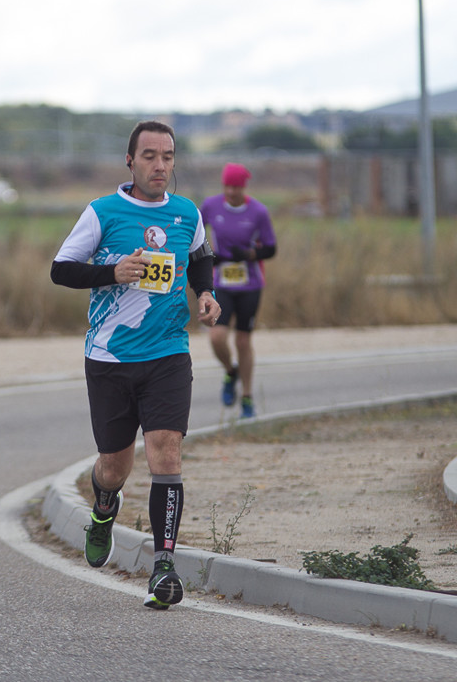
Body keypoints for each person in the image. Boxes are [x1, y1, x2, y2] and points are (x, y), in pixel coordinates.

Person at [50, 120, 220, 610]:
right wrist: (113, 271)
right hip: (109, 358)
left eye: (167, 156)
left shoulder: (187, 213)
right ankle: (103, 510)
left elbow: (200, 257)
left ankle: (164, 567)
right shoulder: (103, 212)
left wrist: (206, 294)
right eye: (149, 156)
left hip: (168, 352)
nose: (160, 165)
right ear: (130, 161)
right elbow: (61, 270)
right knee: (113, 466)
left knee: (166, 453)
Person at [200, 163, 277, 417]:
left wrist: (249, 254)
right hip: (221, 283)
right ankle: (230, 372)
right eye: (227, 186)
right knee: (216, 336)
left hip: (250, 284)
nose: (231, 191)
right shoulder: (211, 206)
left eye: (236, 186)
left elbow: (270, 248)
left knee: (243, 341)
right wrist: (212, 256)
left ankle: (246, 398)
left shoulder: (258, 212)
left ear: (243, 187)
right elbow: (195, 236)